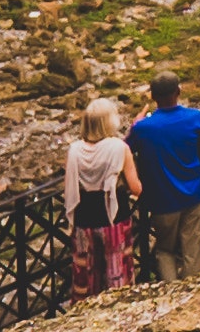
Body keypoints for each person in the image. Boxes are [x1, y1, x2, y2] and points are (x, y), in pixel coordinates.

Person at [132, 76, 200, 278]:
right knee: (194, 249)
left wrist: (135, 124)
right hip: (194, 192)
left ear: (153, 97)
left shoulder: (144, 128)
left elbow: (126, 150)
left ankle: (171, 292)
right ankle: (193, 290)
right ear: (178, 92)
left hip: (162, 199)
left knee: (165, 249)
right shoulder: (195, 117)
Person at [65, 98, 143, 294]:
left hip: (84, 219)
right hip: (113, 218)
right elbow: (136, 188)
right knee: (117, 274)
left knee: (87, 273)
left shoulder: (74, 150)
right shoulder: (120, 148)